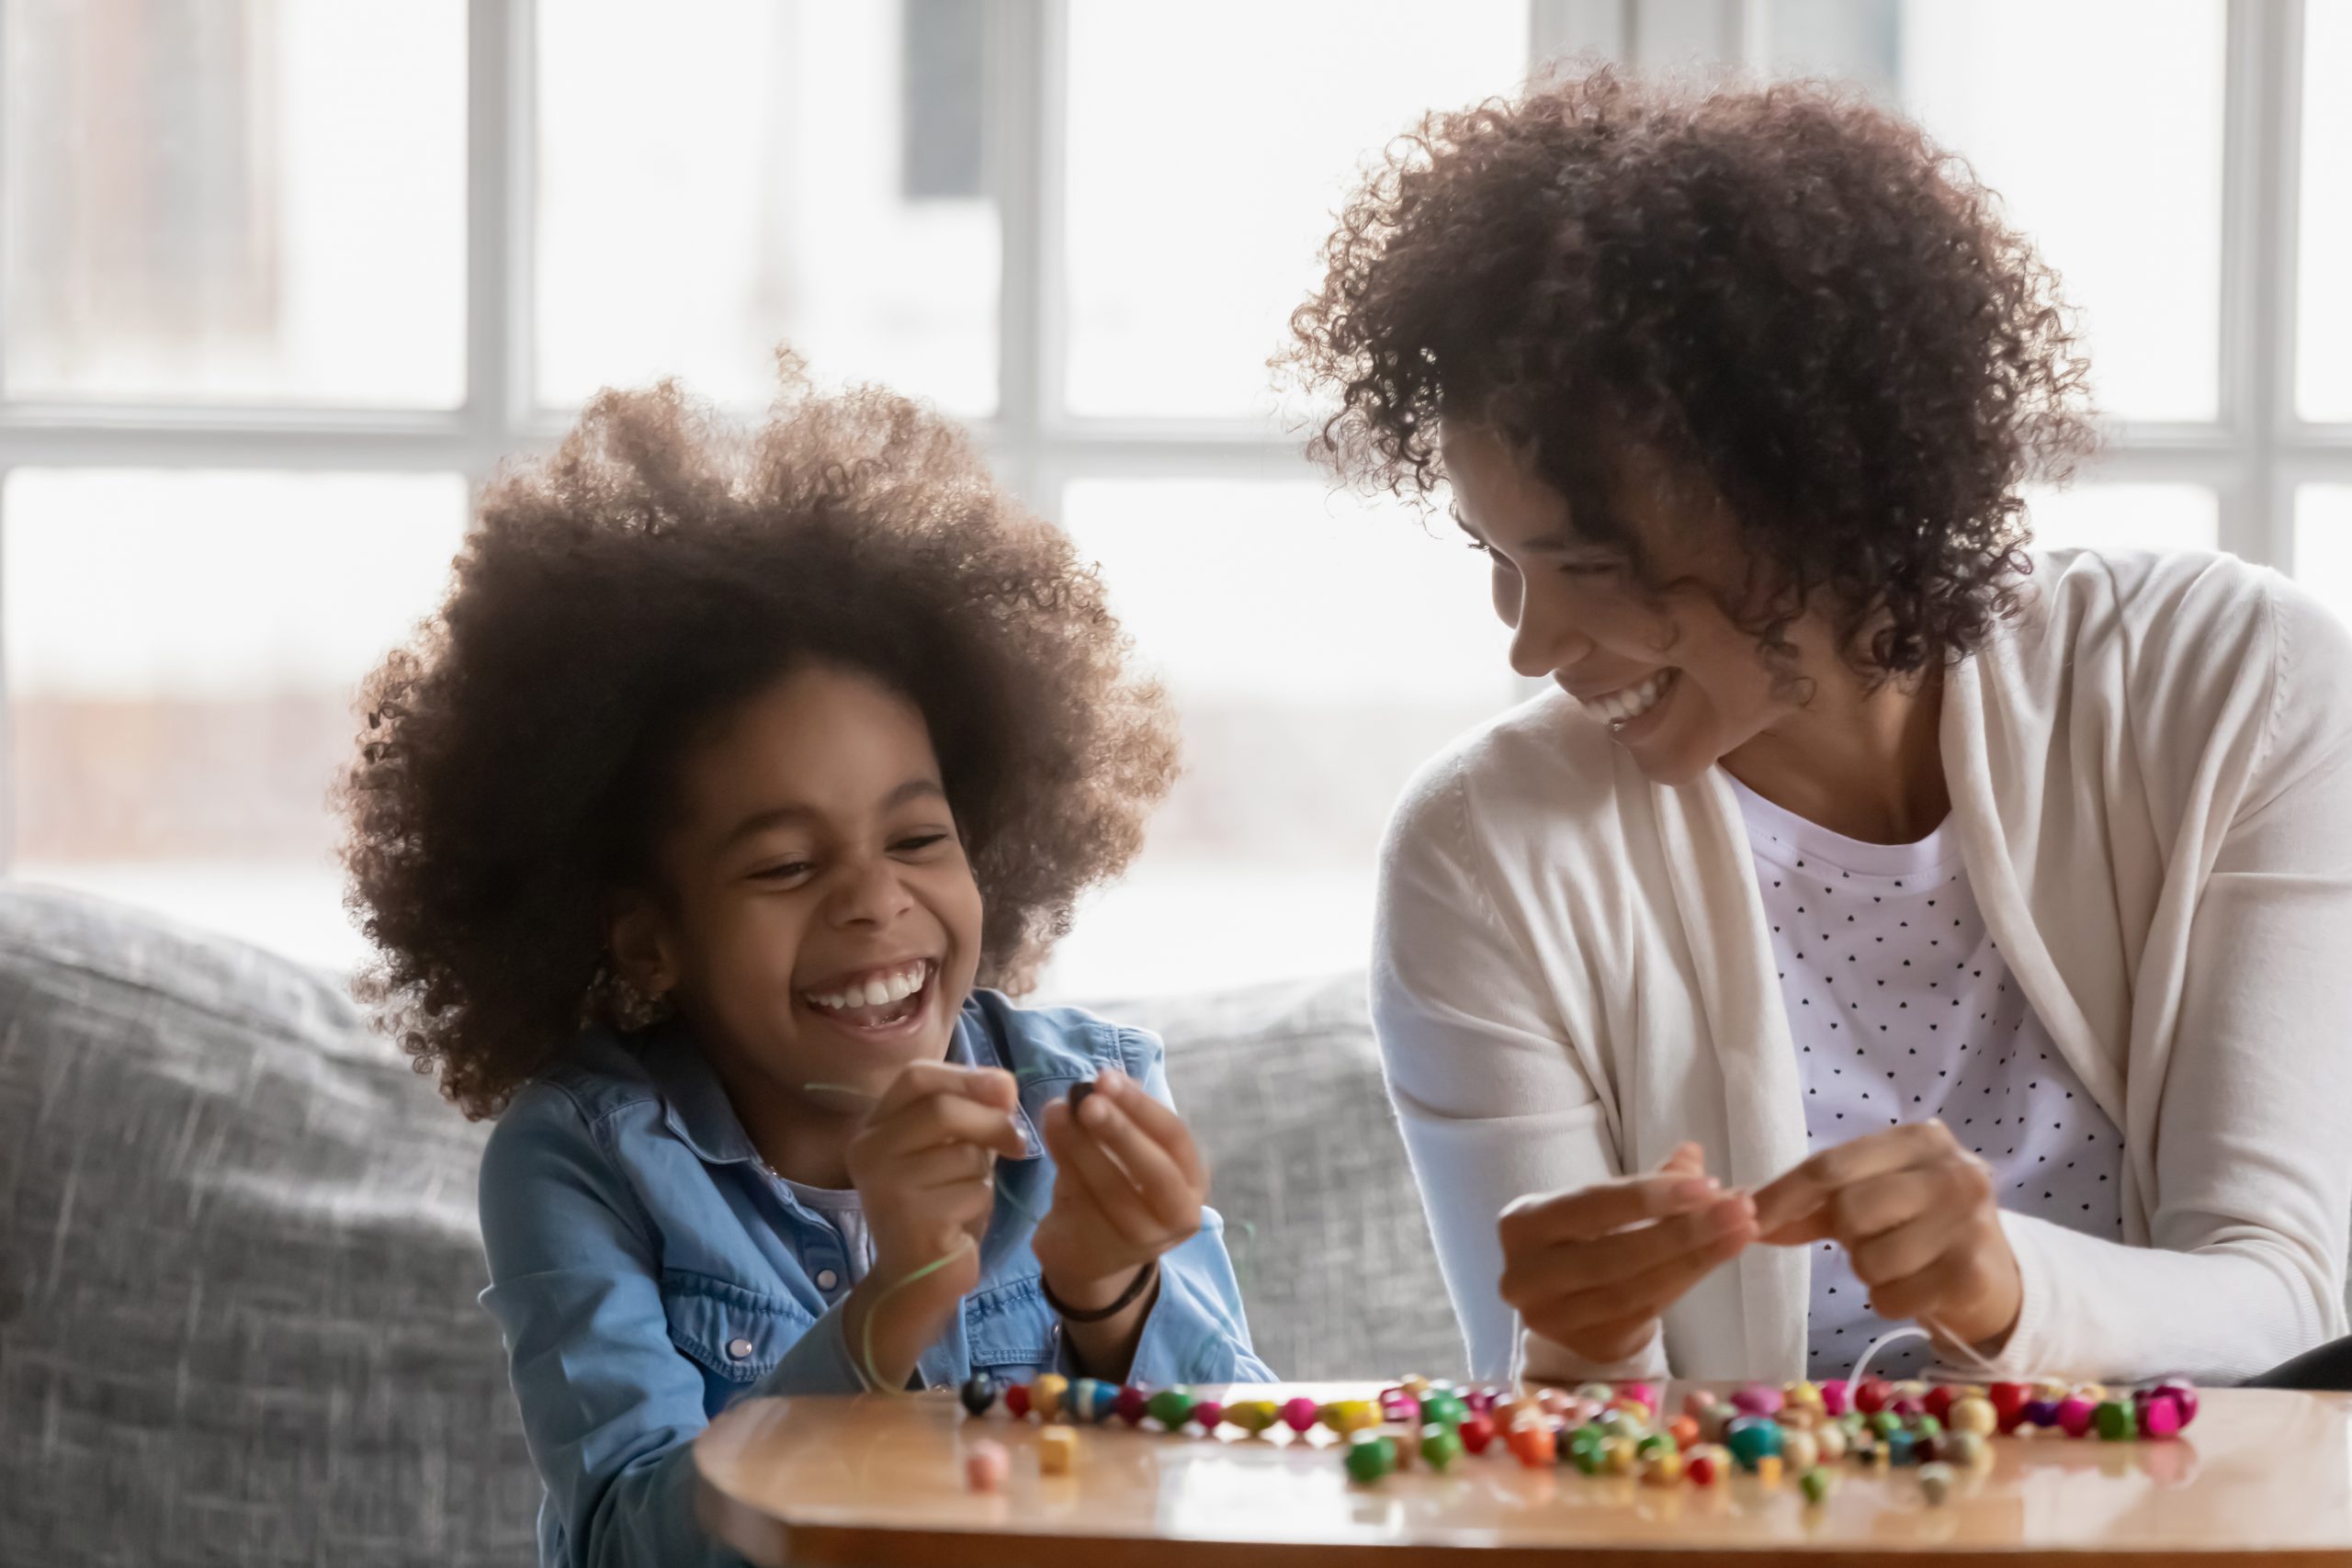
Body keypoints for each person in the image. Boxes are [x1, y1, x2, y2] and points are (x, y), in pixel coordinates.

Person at [1284, 65, 2352, 1388]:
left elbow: (2288, 1312)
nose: (1533, 645)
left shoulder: (2233, 686)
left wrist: (2008, 1293)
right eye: (1496, 556)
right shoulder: (1486, 852)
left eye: (1598, 571)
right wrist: (1576, 1342)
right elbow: (1557, 1448)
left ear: (1809, 500)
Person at [341, 364, 1272, 1566]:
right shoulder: (588, 1157)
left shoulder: (1086, 1106)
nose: (876, 901)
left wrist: (1110, 1300)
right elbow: (631, 1540)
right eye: (785, 866)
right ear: (647, 936)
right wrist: (887, 1315)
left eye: (920, 838)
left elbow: (1253, 1505)